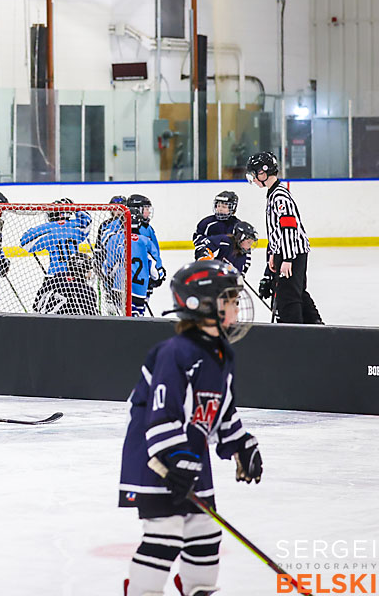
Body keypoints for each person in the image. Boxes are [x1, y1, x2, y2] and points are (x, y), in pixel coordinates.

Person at [119, 260, 262, 596]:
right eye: (230, 300)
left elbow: (222, 409)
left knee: (205, 532)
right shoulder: (175, 353)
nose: (237, 307)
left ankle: (199, 587)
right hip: (155, 458)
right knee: (165, 533)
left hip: (191, 458)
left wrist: (241, 444)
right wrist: (174, 459)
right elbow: (160, 413)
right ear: (204, 305)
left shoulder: (220, 354)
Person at [246, 151, 322, 324]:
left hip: (292, 253)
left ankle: (294, 333)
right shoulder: (273, 194)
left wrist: (287, 258)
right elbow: (277, 231)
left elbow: (289, 229)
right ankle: (315, 325)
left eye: (254, 174)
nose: (253, 178)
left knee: (288, 297)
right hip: (286, 251)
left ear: (263, 173)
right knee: (296, 291)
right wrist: (273, 253)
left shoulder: (279, 196)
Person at [19, 198, 93, 301]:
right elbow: (88, 220)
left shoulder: (48, 229)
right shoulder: (76, 227)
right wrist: (75, 207)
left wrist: (46, 227)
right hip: (76, 276)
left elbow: (24, 243)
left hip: (54, 277)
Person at [33, 253, 99, 316]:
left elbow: (36, 306)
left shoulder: (55, 278)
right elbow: (92, 318)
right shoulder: (86, 290)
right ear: (84, 271)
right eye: (89, 269)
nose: (90, 273)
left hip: (41, 323)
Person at [127, 194, 165, 293]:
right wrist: (158, 270)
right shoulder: (141, 229)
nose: (148, 212)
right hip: (140, 276)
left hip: (141, 275)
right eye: (146, 209)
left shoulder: (147, 227)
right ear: (137, 210)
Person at [126, 209, 160, 317]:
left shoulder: (118, 238)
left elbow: (112, 263)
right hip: (140, 287)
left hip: (121, 287)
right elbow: (154, 263)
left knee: (122, 315)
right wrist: (158, 276)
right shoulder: (145, 241)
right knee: (138, 316)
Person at [192, 191, 240, 259]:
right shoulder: (206, 223)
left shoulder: (237, 225)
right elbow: (197, 238)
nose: (220, 209)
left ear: (232, 208)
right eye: (218, 206)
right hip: (209, 254)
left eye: (224, 207)